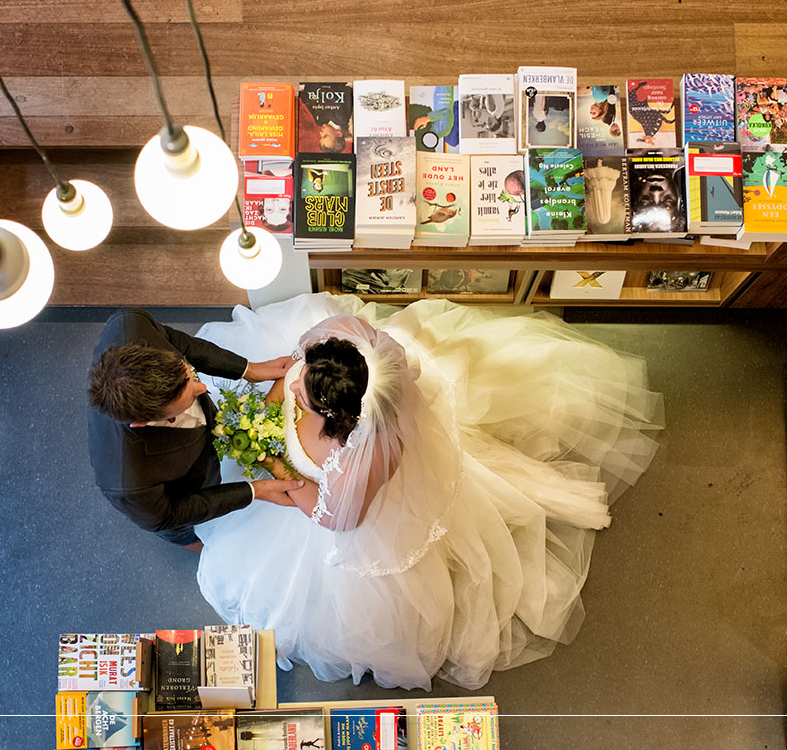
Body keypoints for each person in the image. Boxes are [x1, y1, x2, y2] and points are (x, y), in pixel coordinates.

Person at [193, 293, 663, 690]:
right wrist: (283, 383)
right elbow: (302, 352)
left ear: (340, 417)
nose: (295, 392)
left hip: (315, 497)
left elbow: (337, 518)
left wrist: (274, 464)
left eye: (305, 398)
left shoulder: (362, 458)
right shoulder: (349, 345)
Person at [87, 309, 304, 553]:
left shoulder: (130, 325)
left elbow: (176, 342)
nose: (202, 387)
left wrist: (249, 369)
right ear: (143, 423)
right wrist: (254, 491)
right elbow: (169, 515)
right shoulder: (129, 484)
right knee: (188, 536)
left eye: (188, 374)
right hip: (177, 498)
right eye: (189, 398)